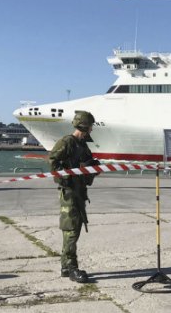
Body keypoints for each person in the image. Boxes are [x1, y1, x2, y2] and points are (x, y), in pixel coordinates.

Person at [49, 110, 100, 284]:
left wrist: (91, 167)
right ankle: (71, 267)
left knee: (75, 228)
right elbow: (53, 162)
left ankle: (66, 266)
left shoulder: (83, 146)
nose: (92, 129)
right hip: (69, 191)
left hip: (79, 191)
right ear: (84, 126)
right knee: (71, 229)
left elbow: (86, 167)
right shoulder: (68, 142)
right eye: (90, 126)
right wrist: (67, 175)